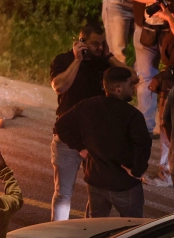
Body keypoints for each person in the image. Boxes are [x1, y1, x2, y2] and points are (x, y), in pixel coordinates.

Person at [48, 22, 126, 220]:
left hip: (97, 139)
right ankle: (57, 234)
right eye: (94, 44)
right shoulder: (64, 60)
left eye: (102, 43)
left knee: (98, 195)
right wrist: (77, 60)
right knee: (63, 193)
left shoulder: (105, 62)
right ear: (81, 42)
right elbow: (59, 87)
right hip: (68, 138)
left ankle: (89, 235)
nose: (99, 48)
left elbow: (131, 78)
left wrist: (109, 57)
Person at [55, 66, 151, 217]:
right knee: (132, 228)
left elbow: (61, 126)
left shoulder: (87, 105)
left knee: (95, 227)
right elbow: (143, 145)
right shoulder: (132, 116)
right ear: (118, 88)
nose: (133, 88)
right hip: (124, 185)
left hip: (96, 181)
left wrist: (80, 147)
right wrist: (137, 171)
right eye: (131, 84)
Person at [126, 0, 174, 138]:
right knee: (145, 77)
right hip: (145, 26)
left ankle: (165, 125)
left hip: (170, 29)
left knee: (169, 77)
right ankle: (146, 127)